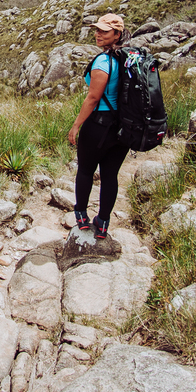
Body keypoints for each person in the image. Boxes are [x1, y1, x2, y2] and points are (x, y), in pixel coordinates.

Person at [67, 13, 131, 240]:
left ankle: (82, 217)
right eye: (97, 29)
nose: (98, 34)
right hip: (122, 129)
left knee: (85, 170)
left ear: (117, 34)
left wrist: (76, 126)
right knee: (110, 175)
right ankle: (103, 224)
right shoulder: (129, 59)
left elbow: (93, 98)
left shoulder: (103, 61)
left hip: (98, 126)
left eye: (104, 31)